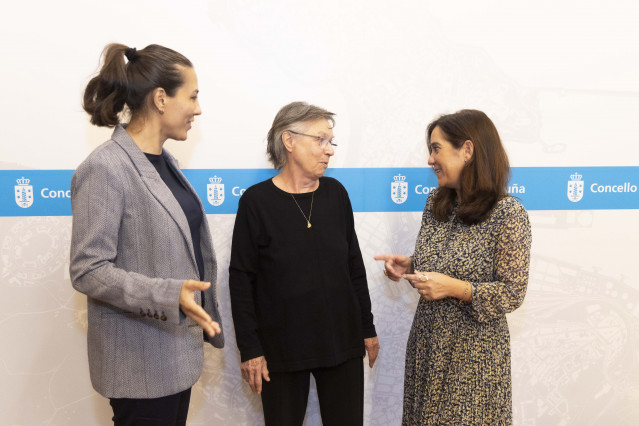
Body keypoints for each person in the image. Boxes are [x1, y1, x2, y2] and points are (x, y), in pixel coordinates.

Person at [69, 43, 223, 425]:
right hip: (140, 368)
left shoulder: (166, 164)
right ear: (160, 99)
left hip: (175, 359)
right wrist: (170, 295)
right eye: (192, 96)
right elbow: (88, 269)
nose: (198, 109)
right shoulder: (105, 168)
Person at [376, 109, 531, 425]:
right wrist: (411, 265)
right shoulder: (436, 205)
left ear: (468, 150)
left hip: (474, 359)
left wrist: (458, 289)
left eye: (436, 149)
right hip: (428, 348)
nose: (429, 160)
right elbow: (440, 268)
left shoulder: (508, 213)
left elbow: (512, 293)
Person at [229, 101, 380, 426]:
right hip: (280, 347)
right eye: (320, 140)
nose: (329, 151)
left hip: (341, 339)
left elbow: (354, 266)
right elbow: (241, 281)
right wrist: (250, 348)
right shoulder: (256, 203)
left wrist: (366, 328)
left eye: (331, 141)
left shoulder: (336, 194)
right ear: (289, 140)